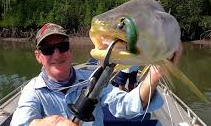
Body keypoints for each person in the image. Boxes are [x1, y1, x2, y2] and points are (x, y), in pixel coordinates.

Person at [10, 23, 182, 126]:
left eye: (62, 47)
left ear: (69, 51)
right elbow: (21, 122)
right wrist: (44, 123)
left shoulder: (93, 80)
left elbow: (125, 105)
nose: (56, 55)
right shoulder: (32, 91)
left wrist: (154, 75)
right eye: (48, 50)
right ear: (38, 56)